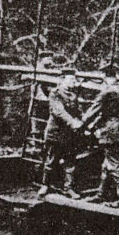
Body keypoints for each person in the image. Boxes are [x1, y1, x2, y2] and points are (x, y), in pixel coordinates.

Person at [82, 68, 119, 208]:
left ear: (105, 77)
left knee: (114, 165)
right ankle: (101, 194)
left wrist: (82, 123)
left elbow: (94, 109)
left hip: (110, 132)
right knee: (106, 165)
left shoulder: (107, 92)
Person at [38, 67, 83, 199]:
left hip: (69, 135)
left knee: (70, 162)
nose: (74, 82)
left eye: (74, 79)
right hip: (56, 133)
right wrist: (73, 122)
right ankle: (45, 185)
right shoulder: (55, 93)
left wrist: (84, 123)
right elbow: (58, 111)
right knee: (51, 160)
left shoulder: (73, 95)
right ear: (62, 79)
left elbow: (78, 112)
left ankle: (68, 188)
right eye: (71, 79)